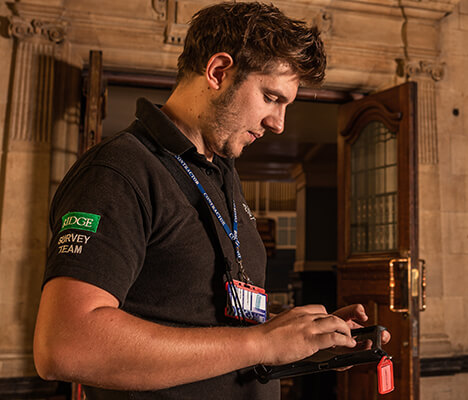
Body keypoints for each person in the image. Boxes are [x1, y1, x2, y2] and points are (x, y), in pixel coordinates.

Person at [33, 2, 388, 399]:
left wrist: (300, 337)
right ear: (219, 71)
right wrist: (263, 343)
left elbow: (204, 324)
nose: (278, 123)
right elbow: (65, 346)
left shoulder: (222, 172)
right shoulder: (119, 171)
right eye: (271, 97)